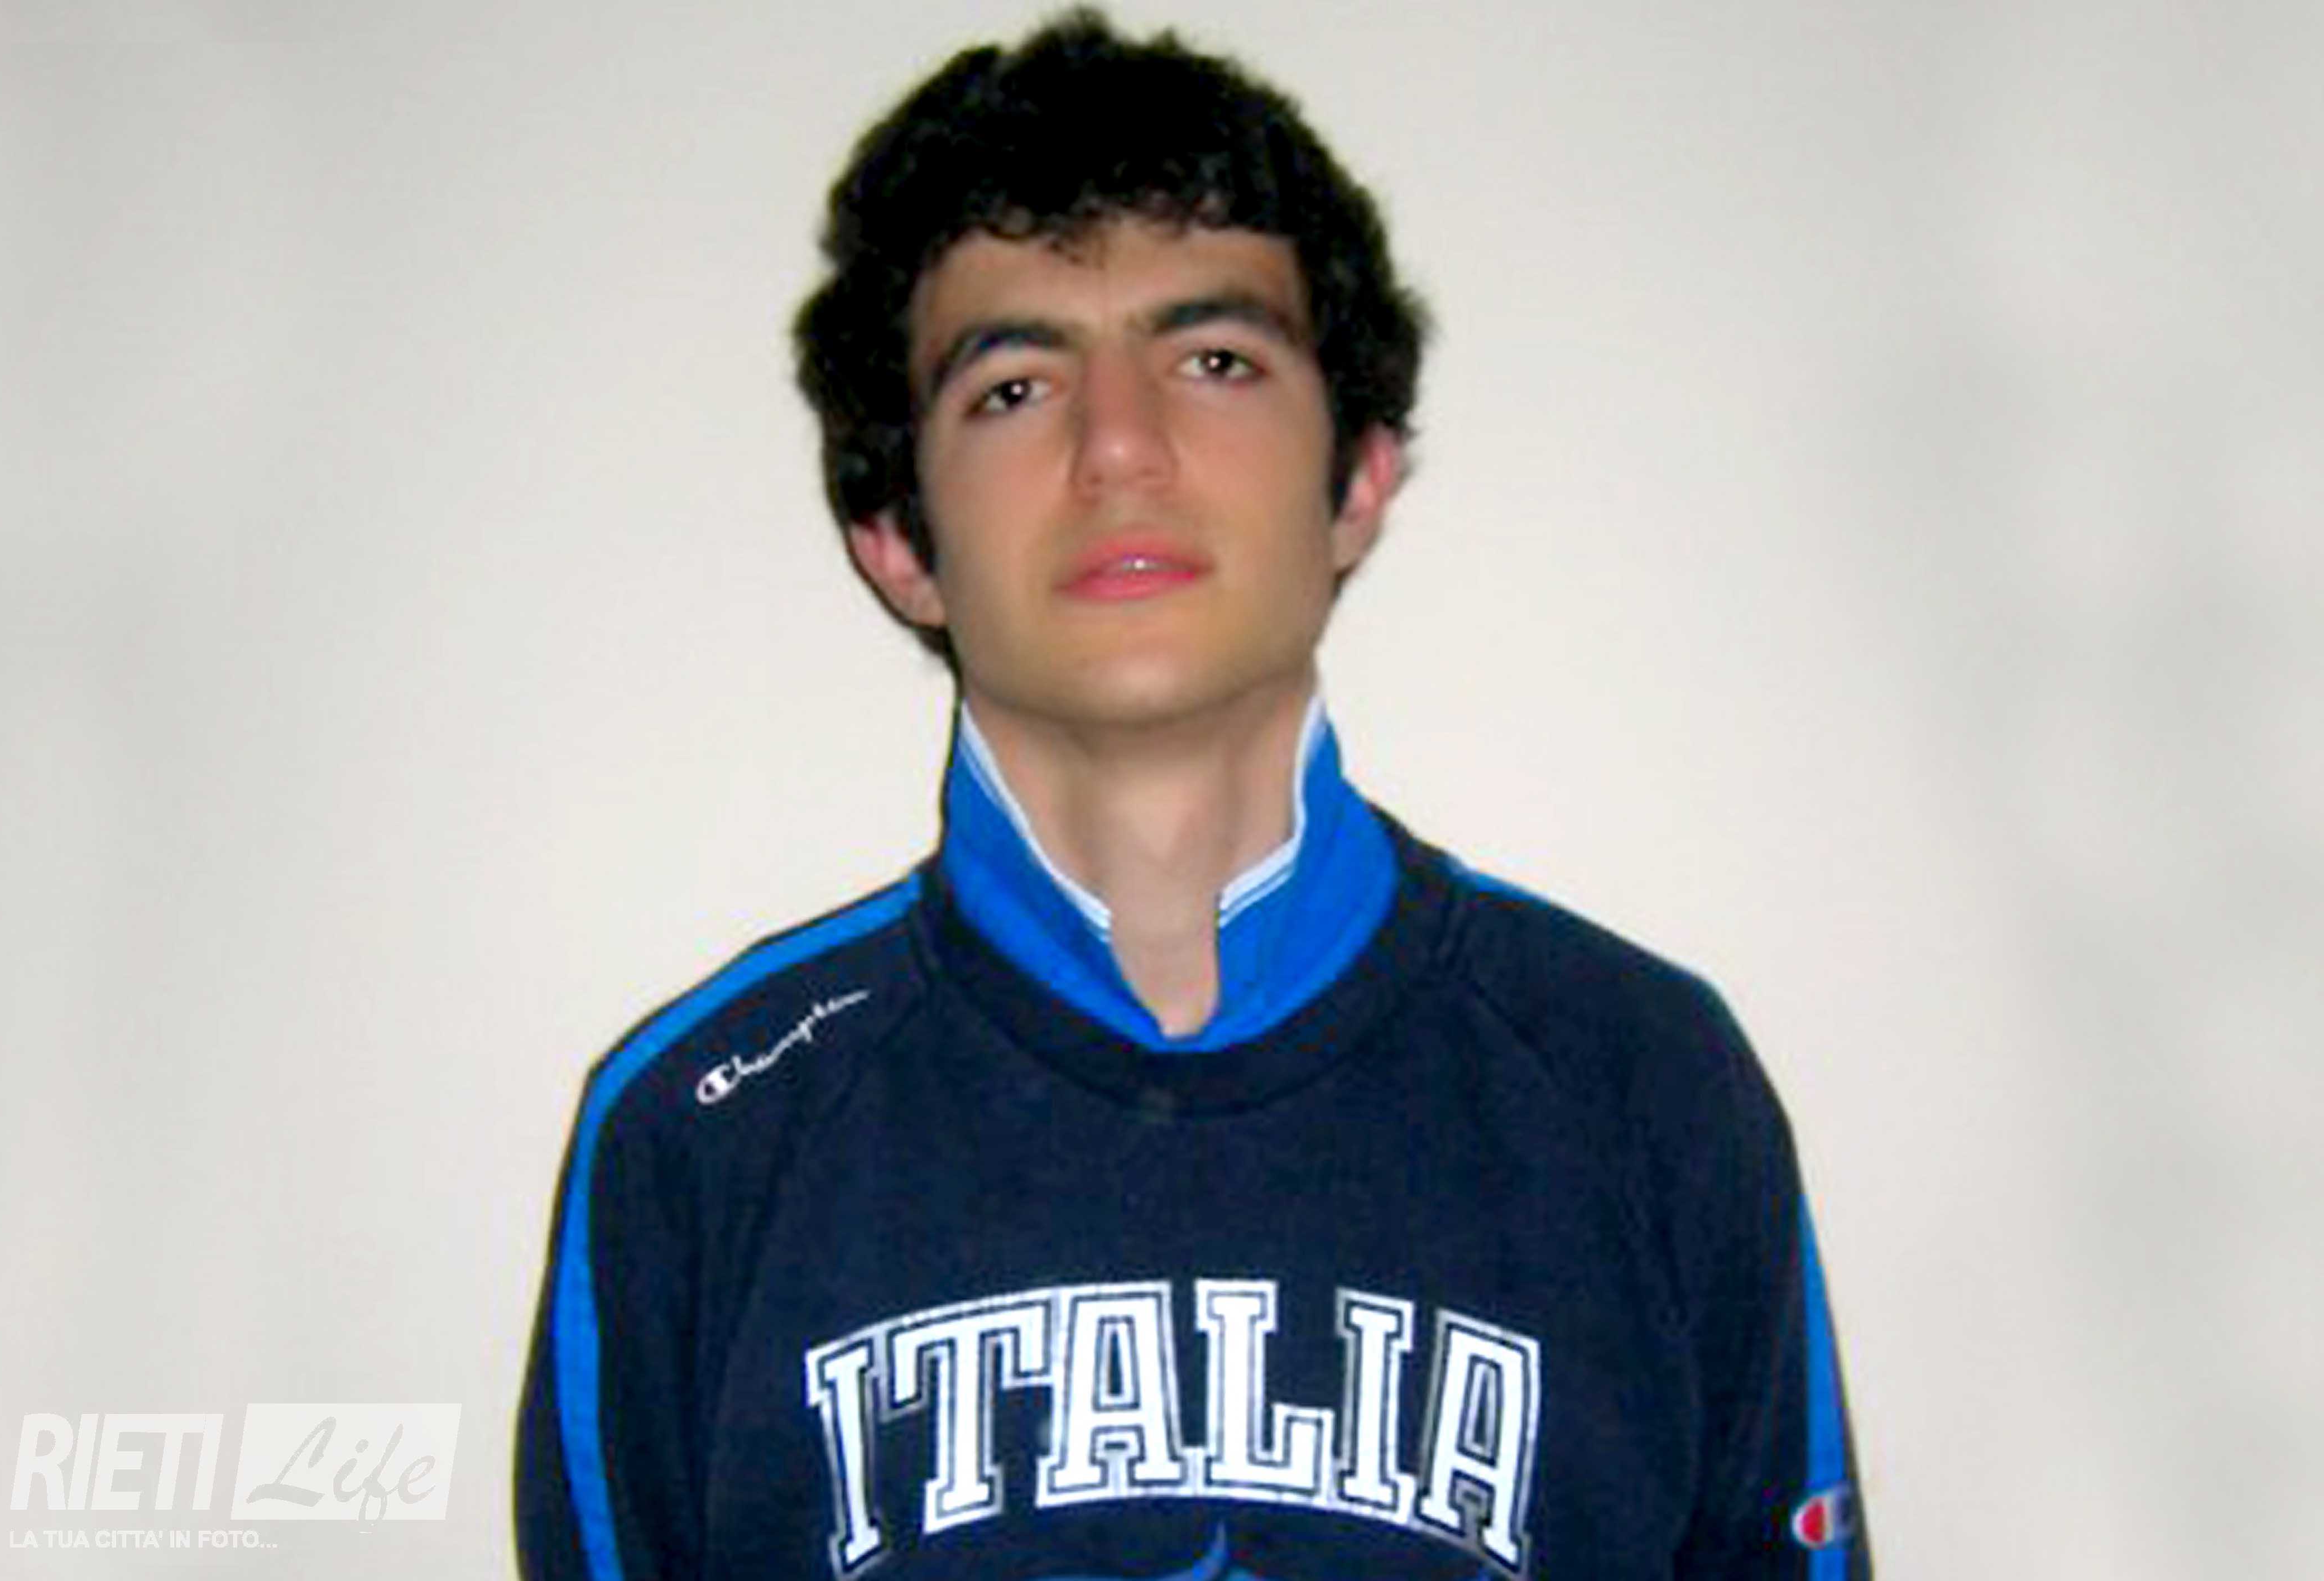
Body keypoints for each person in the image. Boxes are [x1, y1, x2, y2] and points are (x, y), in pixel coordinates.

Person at [516, 11, 1869, 1578]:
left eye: (1215, 360)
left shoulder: (1645, 1086)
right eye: (1013, 386)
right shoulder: (702, 1134)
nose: (1121, 447)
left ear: (1359, 477)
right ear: (895, 538)